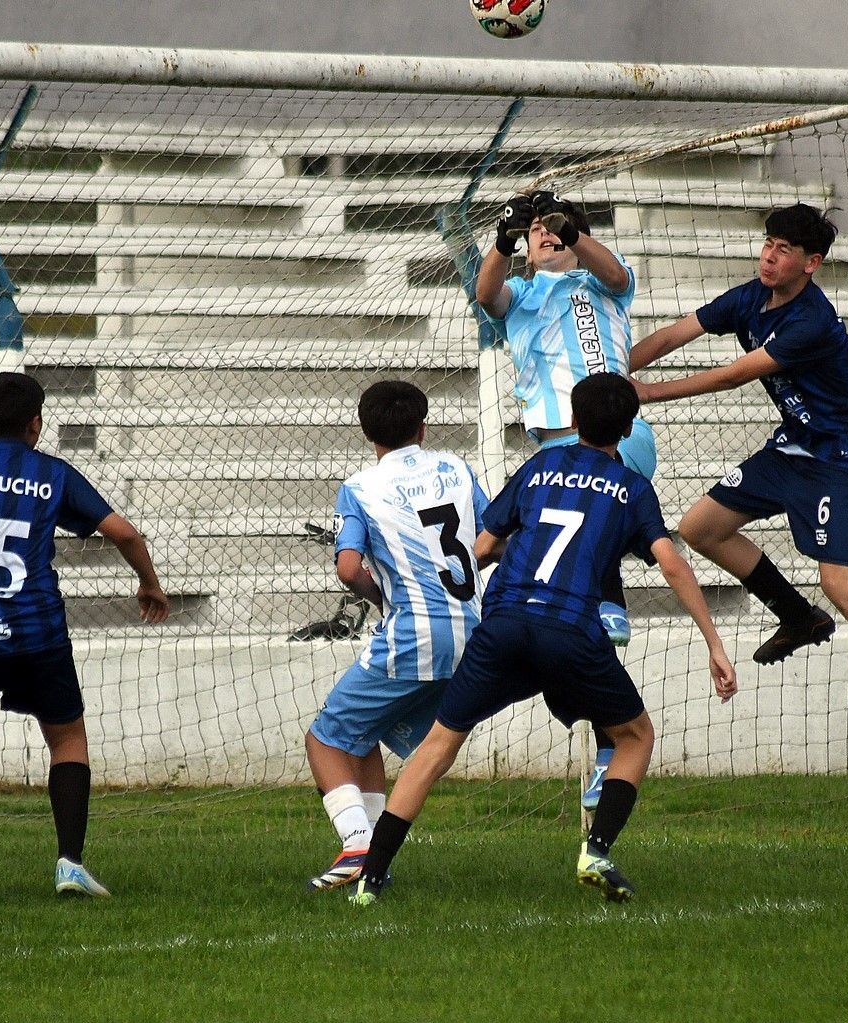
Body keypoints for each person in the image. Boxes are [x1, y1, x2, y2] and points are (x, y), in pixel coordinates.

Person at [348, 373, 736, 906]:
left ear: (571, 420)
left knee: (437, 747)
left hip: (503, 625)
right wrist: (714, 644)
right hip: (570, 631)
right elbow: (670, 563)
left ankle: (371, 877)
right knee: (636, 735)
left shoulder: (536, 467)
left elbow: (482, 546)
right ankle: (596, 850)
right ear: (628, 430)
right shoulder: (632, 488)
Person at [629, 203, 848, 788]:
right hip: (793, 447)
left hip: (838, 459)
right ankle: (798, 616)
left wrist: (648, 393)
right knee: (700, 528)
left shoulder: (812, 321)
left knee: (841, 582)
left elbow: (734, 374)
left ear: (812, 263)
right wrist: (612, 370)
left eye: (784, 250)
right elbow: (677, 332)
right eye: (768, 244)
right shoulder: (751, 297)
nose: (770, 257)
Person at [0, 372, 169, 901]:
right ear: (37, 423)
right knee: (67, 739)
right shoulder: (53, 473)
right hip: (38, 630)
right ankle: (70, 864)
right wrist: (149, 584)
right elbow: (124, 532)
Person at [476, 190, 659, 810]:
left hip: (616, 437)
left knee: (573, 566)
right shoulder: (519, 296)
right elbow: (486, 293)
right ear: (525, 251)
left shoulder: (602, 282)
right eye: (535, 233)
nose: (545, 234)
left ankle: (605, 603)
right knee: (574, 609)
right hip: (557, 449)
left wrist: (575, 232)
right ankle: (610, 745)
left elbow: (615, 274)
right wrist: (502, 242)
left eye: (552, 228)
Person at [304, 380, 487, 891]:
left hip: (413, 635)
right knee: (361, 737)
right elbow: (493, 536)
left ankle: (357, 846)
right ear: (423, 427)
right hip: (471, 633)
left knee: (324, 739)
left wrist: (380, 593)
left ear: (367, 433)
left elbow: (347, 568)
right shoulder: (457, 469)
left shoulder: (360, 487)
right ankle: (372, 859)